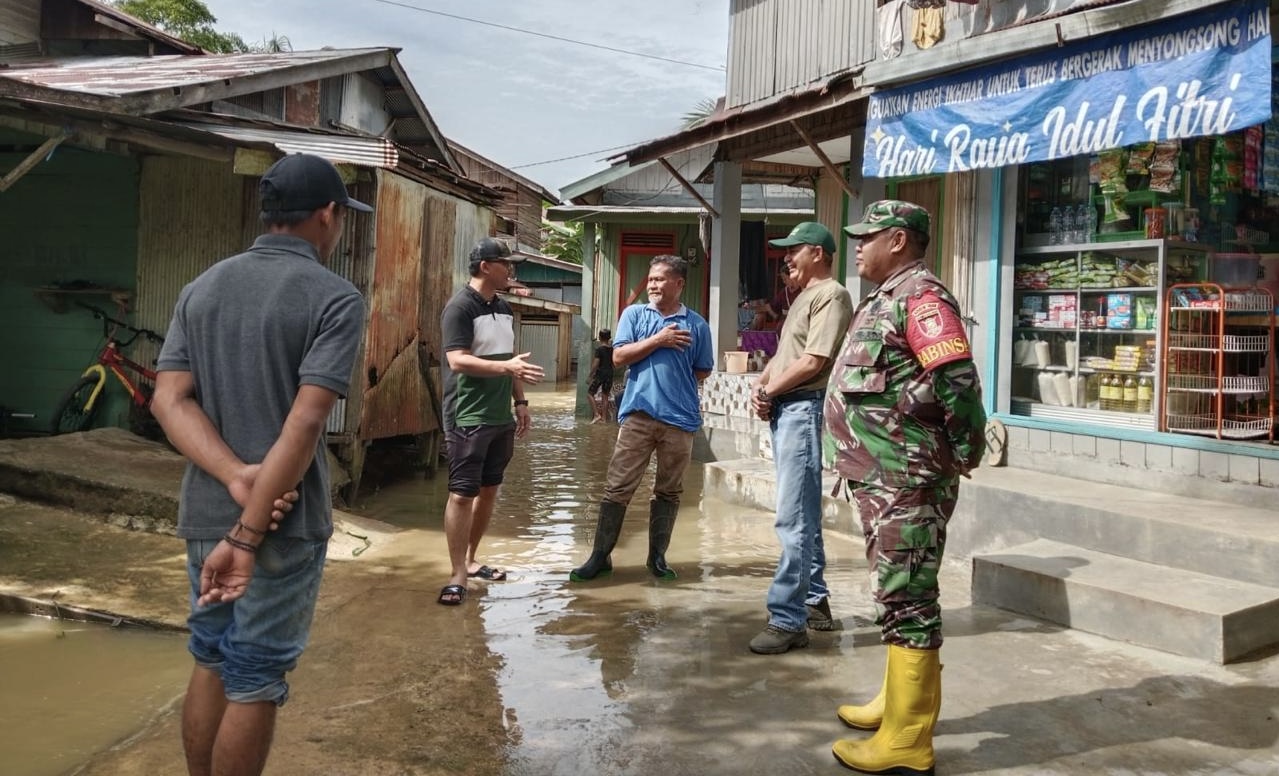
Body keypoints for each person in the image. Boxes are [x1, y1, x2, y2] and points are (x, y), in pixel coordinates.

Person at [151, 153, 370, 776]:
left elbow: (170, 399)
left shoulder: (203, 286)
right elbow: (304, 423)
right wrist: (248, 529)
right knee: (254, 672)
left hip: (205, 510)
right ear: (327, 215)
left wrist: (232, 476)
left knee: (211, 656)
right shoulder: (335, 297)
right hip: (280, 519)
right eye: (340, 218)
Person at [824, 200, 986, 774]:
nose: (858, 246)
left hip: (907, 478)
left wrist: (968, 447)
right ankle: (895, 705)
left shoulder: (922, 297)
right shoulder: (887, 297)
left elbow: (957, 379)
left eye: (866, 237)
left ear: (897, 239)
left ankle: (908, 740)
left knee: (908, 598)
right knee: (895, 592)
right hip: (881, 475)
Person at [569, 254, 713, 582]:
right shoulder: (634, 315)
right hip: (638, 415)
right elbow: (618, 357)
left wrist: (673, 380)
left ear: (679, 284)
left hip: (680, 419)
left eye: (660, 280)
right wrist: (660, 340)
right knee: (617, 486)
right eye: (650, 280)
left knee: (669, 490)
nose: (652, 285)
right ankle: (599, 557)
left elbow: (703, 369)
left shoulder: (698, 325)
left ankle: (657, 558)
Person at [747, 222, 854, 655]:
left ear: (817, 252)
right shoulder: (801, 299)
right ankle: (815, 604)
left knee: (792, 518)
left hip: (804, 409)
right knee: (801, 512)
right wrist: (762, 386)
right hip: (787, 410)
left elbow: (815, 360)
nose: (786, 259)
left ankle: (788, 620)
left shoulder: (833, 294)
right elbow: (782, 355)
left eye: (793, 251)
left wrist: (770, 390)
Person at [438, 237, 545, 606]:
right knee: (461, 493)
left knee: (489, 490)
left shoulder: (503, 307)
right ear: (486, 266)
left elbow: (511, 357)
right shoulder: (459, 308)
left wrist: (521, 402)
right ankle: (456, 574)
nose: (511, 269)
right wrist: (507, 367)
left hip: (500, 414)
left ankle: (471, 559)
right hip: (467, 413)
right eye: (506, 263)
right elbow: (457, 360)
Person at [587, 329, 615, 423]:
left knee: (590, 393)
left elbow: (595, 364)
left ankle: (596, 415)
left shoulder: (599, 350)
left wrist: (590, 376)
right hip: (609, 374)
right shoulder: (612, 349)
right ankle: (604, 418)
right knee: (605, 396)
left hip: (600, 374)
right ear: (609, 338)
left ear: (599, 338)